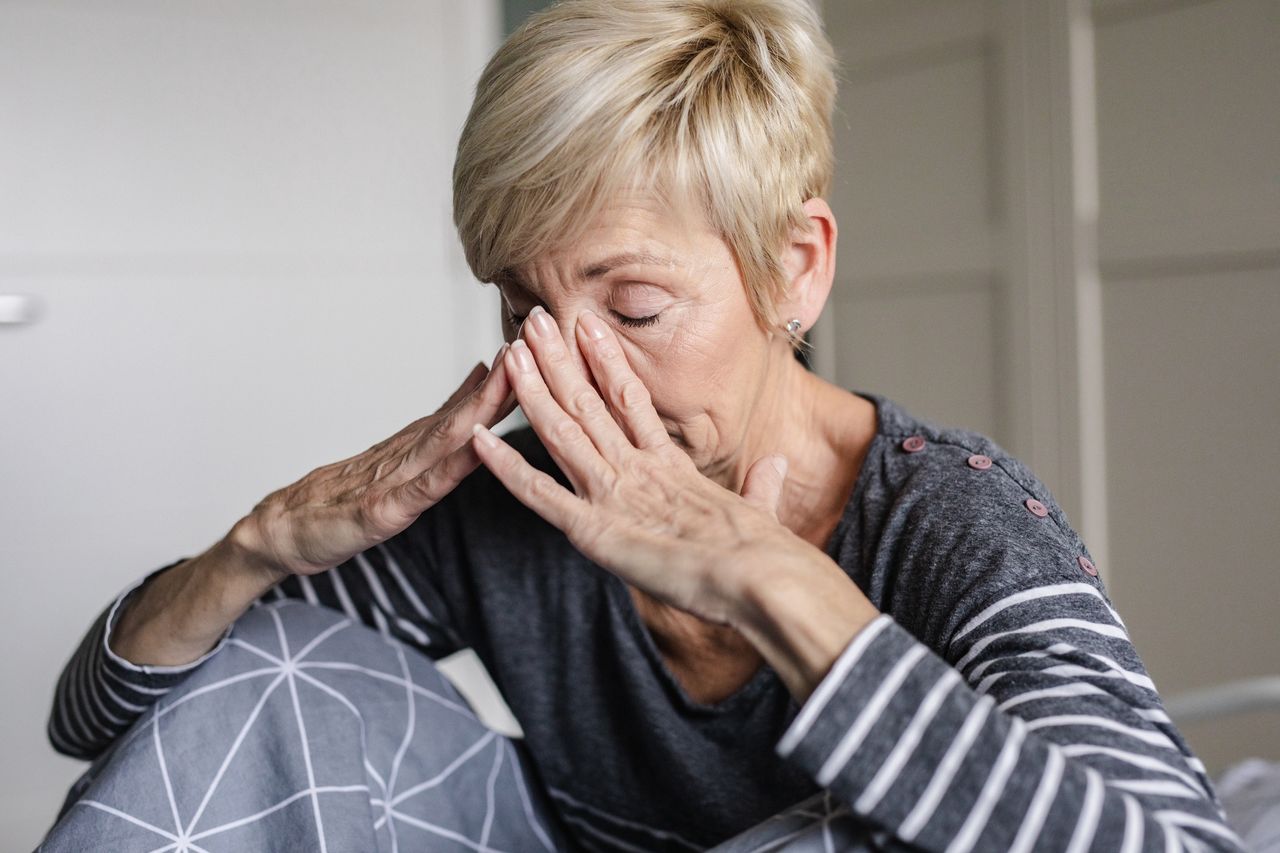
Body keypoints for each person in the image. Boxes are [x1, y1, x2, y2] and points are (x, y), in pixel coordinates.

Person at [42, 1, 1244, 851]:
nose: (567, 371)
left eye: (635, 306)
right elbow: (96, 725)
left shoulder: (956, 516)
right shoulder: (516, 496)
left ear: (796, 269)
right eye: (523, 307)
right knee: (267, 661)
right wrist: (252, 546)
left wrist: (773, 581)